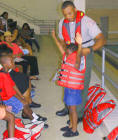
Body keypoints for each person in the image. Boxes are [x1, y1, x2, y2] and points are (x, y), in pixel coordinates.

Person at [56, 0, 106, 124]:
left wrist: (89, 50)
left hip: (85, 53)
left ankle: (78, 114)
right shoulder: (62, 22)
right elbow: (62, 39)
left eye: (70, 13)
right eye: (65, 14)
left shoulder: (87, 22)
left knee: (81, 83)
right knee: (67, 82)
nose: (68, 17)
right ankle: (68, 108)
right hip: (70, 55)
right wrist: (65, 51)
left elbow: (101, 39)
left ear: (75, 9)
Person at [52, 30, 85, 137]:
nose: (64, 53)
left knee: (73, 109)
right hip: (68, 87)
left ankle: (74, 130)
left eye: (66, 51)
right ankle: (71, 125)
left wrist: (80, 44)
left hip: (74, 90)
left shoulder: (77, 60)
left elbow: (79, 55)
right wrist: (54, 37)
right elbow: (60, 47)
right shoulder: (68, 56)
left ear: (72, 52)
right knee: (69, 107)